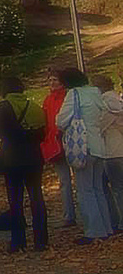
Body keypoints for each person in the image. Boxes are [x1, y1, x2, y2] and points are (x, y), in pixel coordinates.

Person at [54, 66, 112, 243]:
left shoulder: (74, 94)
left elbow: (61, 120)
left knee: (85, 190)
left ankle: (93, 231)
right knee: (98, 189)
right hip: (99, 146)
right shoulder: (95, 92)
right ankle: (106, 227)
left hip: (82, 147)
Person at [0, 75, 48, 253]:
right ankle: (41, 240)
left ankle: (18, 241)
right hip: (34, 157)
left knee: (15, 200)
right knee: (36, 197)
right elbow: (42, 134)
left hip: (12, 158)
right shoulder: (34, 107)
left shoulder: (3, 107)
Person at [41, 67, 77, 228]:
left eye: (55, 79)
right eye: (50, 80)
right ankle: (69, 215)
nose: (52, 83)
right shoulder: (48, 100)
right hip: (54, 143)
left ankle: (83, 212)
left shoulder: (68, 97)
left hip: (69, 140)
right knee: (64, 181)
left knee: (80, 179)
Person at [97, 75, 123, 231]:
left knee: (116, 189)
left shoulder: (104, 105)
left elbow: (98, 128)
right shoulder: (119, 101)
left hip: (111, 152)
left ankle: (117, 221)